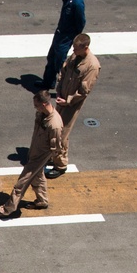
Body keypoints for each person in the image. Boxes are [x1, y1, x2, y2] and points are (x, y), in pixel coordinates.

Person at [0, 90, 63, 217]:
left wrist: (44, 160)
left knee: (22, 183)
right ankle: (42, 201)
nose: (35, 108)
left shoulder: (54, 124)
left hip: (40, 156)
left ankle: (7, 209)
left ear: (45, 104)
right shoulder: (41, 114)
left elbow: (56, 146)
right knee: (38, 177)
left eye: (37, 105)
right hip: (34, 151)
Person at [51, 34, 100, 173]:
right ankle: (53, 155)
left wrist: (68, 101)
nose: (73, 52)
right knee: (54, 128)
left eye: (76, 49)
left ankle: (60, 165)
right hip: (62, 98)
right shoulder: (74, 56)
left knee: (62, 134)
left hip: (71, 104)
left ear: (85, 48)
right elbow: (64, 71)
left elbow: (84, 91)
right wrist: (59, 90)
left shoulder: (92, 66)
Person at [41, 0, 86, 89]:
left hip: (66, 37)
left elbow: (80, 22)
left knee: (61, 63)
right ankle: (48, 83)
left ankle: (64, 88)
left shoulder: (77, 3)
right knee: (51, 57)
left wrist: (74, 38)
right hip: (60, 33)